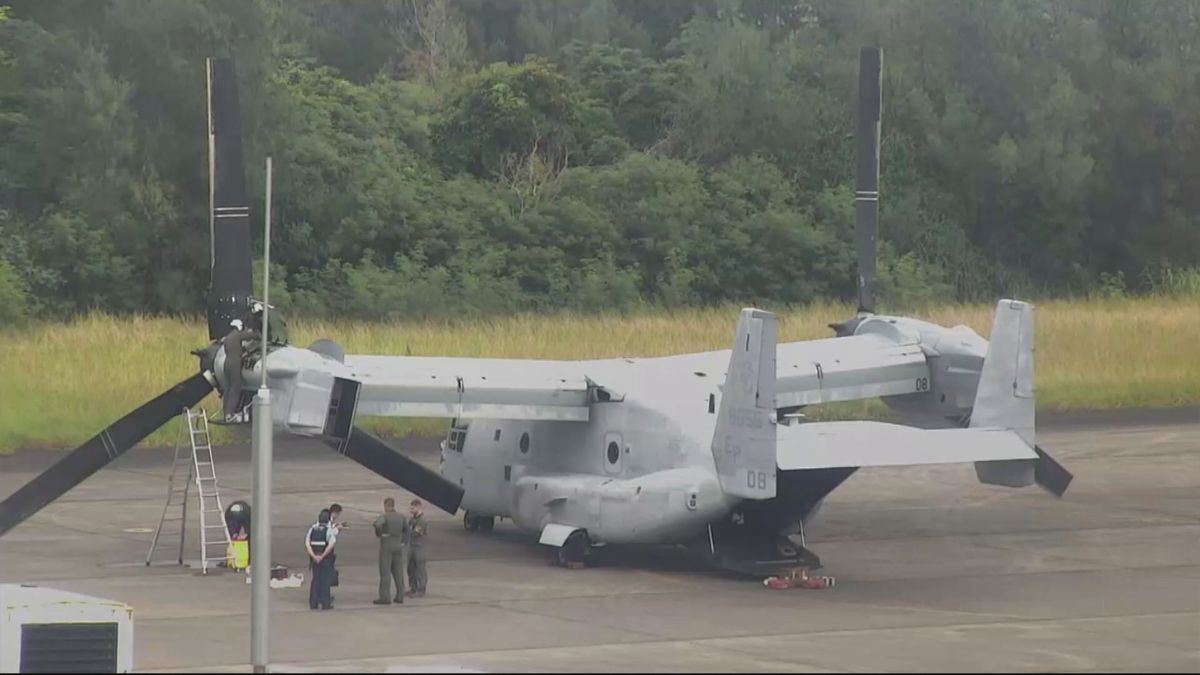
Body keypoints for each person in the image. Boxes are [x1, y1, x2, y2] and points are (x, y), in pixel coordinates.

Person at [372, 497, 408, 605]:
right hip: (398, 544)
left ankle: (385, 597)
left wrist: (380, 534)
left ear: (386, 506)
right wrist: (403, 541)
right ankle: (400, 595)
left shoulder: (385, 517)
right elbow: (407, 530)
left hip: (387, 544)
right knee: (398, 572)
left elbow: (377, 524)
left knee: (385, 571)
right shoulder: (401, 517)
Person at [221, 318, 256, 423]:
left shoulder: (228, 337)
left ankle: (226, 413)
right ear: (239, 327)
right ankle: (230, 414)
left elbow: (236, 348)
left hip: (226, 362)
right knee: (236, 388)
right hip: (235, 363)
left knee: (228, 388)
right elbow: (250, 336)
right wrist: (257, 333)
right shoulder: (237, 335)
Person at [305, 509, 336, 610]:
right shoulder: (329, 530)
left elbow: (307, 544)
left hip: (314, 560)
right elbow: (331, 545)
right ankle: (325, 603)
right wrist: (322, 556)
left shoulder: (312, 529)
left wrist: (314, 556)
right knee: (325, 581)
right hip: (325, 559)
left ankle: (313, 603)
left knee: (315, 580)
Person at [405, 499, 428, 598]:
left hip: (419, 548)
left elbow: (415, 533)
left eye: (412, 508)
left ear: (418, 507)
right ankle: (413, 588)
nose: (411, 510)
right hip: (412, 546)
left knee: (420, 569)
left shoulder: (422, 521)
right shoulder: (412, 519)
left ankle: (421, 589)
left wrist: (407, 529)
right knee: (411, 568)